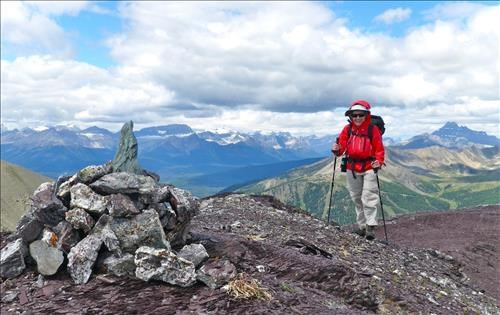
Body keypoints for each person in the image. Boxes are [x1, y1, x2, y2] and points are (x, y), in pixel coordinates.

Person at [331, 100, 385, 240]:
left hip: (369, 167)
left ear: (366, 115)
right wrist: (336, 150)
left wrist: (378, 162)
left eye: (360, 115)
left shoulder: (372, 130)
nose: (357, 118)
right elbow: (341, 149)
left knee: (369, 196)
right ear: (350, 116)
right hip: (352, 167)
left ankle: (370, 227)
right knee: (356, 197)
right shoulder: (347, 130)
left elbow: (379, 149)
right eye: (354, 116)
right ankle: (362, 227)